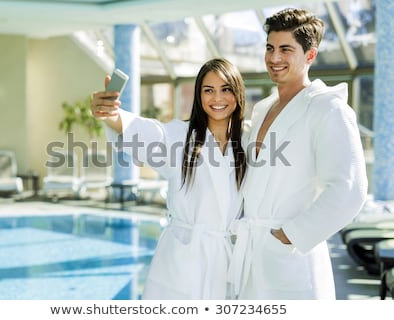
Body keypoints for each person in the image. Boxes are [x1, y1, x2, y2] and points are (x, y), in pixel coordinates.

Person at [227, 8, 368, 299]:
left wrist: (291, 235)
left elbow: (349, 187)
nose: (274, 58)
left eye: (285, 49)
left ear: (310, 55)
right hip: (253, 254)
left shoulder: (328, 108)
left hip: (291, 256)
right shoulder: (264, 107)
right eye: (270, 48)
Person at [91, 58, 247, 299]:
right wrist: (111, 114)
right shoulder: (179, 136)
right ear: (198, 96)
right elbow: (147, 132)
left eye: (226, 89)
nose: (218, 98)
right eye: (209, 90)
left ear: (238, 93)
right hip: (182, 258)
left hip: (225, 260)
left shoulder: (247, 141)